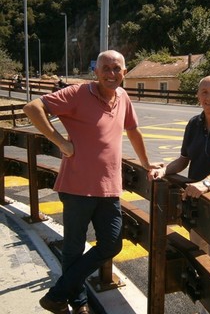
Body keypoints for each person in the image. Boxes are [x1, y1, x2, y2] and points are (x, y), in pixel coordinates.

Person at [23, 50, 156, 314]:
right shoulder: (77, 93)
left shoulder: (123, 96)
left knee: (111, 244)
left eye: (116, 68)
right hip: (76, 187)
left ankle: (57, 295)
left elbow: (133, 130)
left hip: (109, 188)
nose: (111, 73)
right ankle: (78, 302)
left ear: (125, 72)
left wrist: (146, 163)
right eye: (105, 68)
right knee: (73, 247)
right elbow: (32, 108)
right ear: (95, 71)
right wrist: (60, 141)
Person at [149, 75, 210, 204]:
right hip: (195, 193)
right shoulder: (194, 123)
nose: (209, 98)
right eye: (204, 92)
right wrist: (163, 170)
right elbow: (183, 159)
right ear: (198, 96)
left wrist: (206, 183)